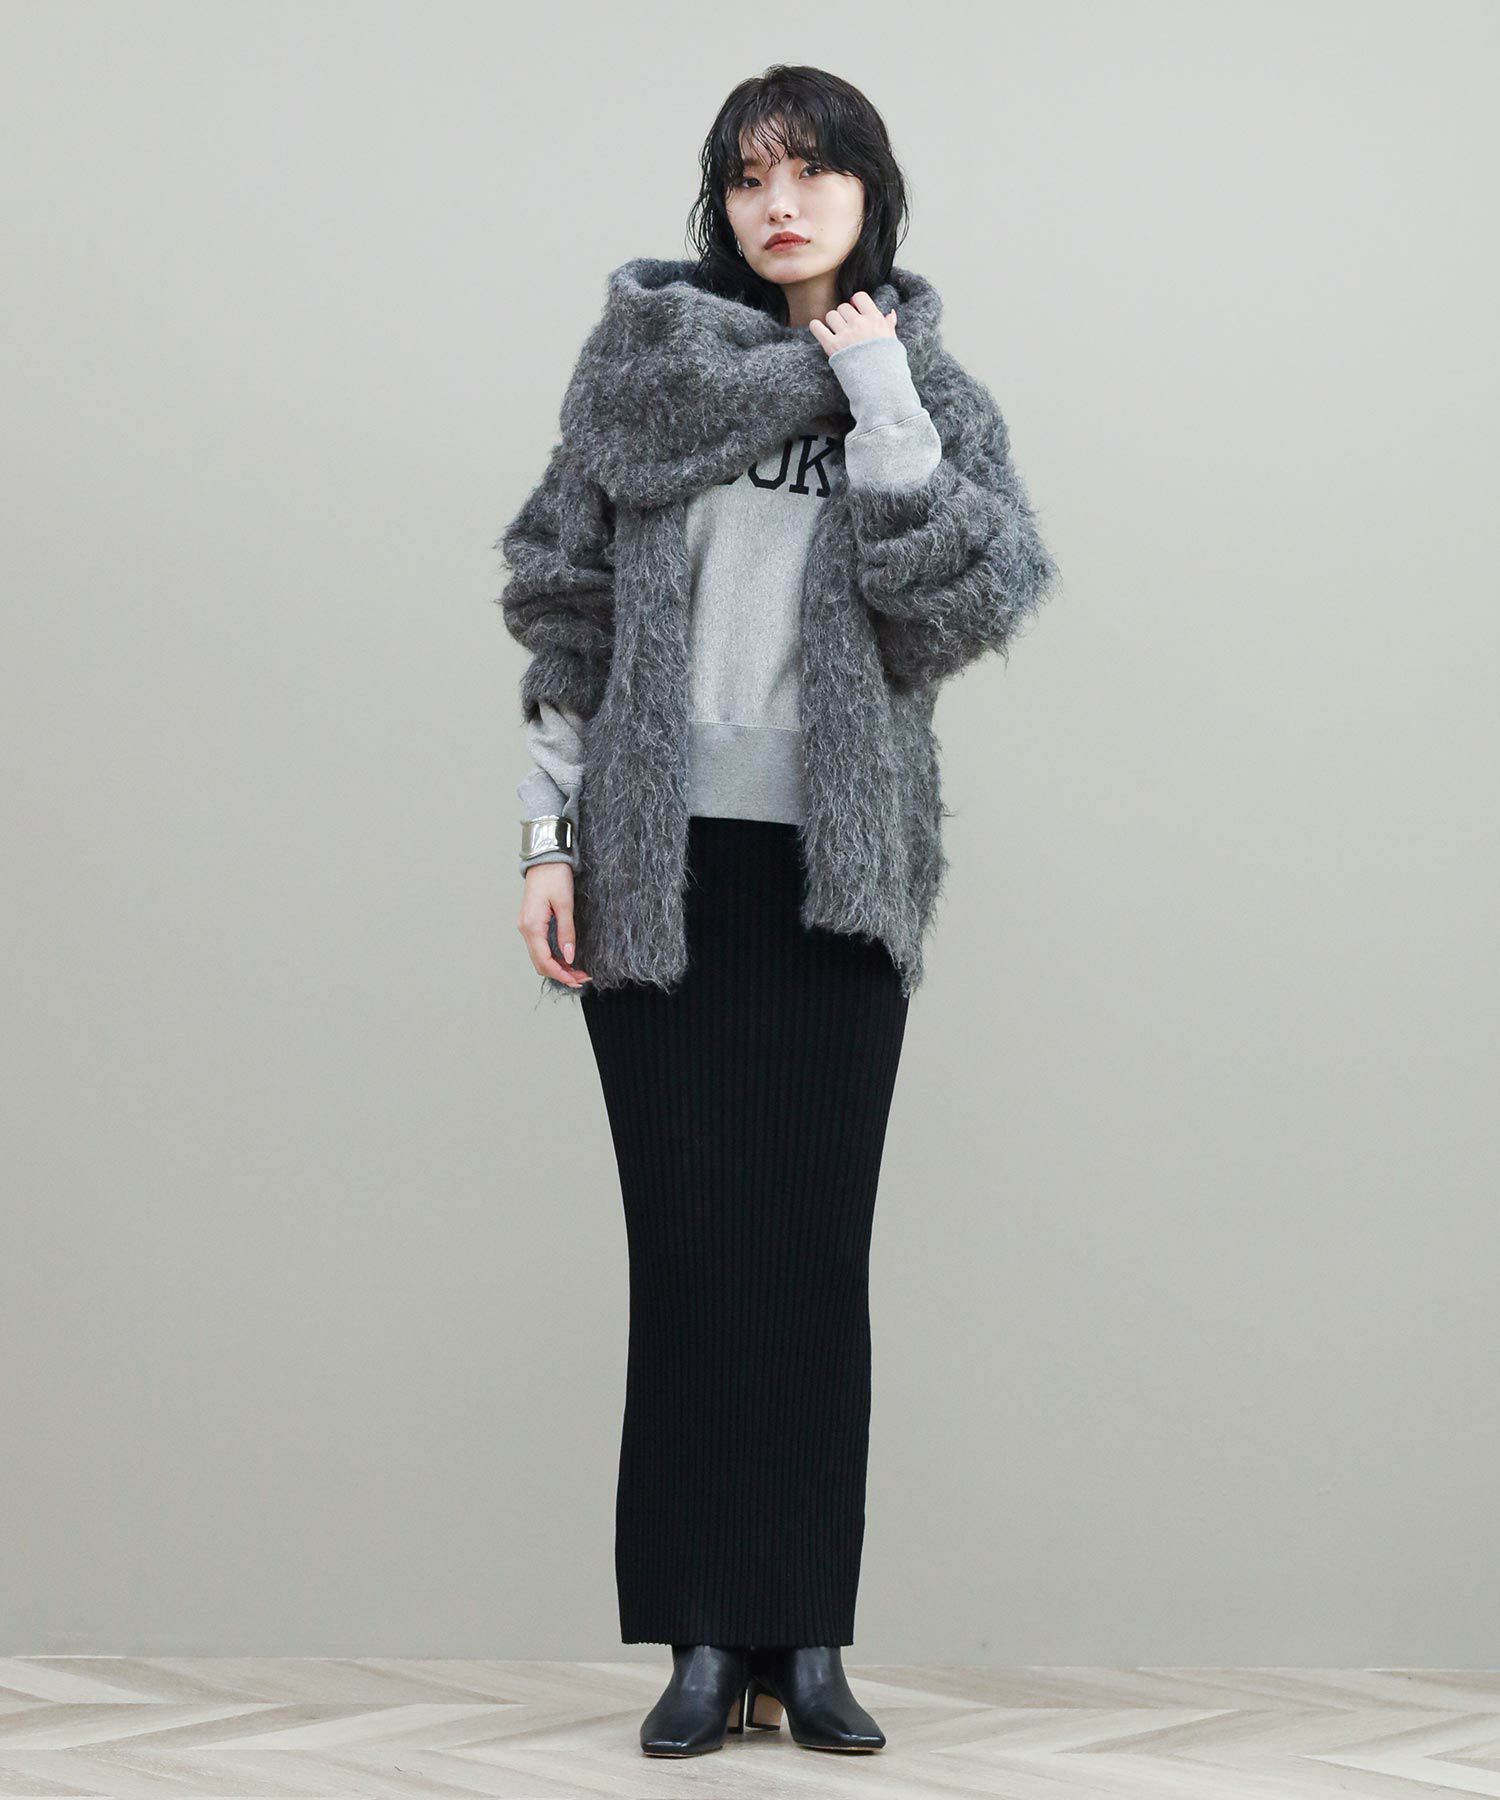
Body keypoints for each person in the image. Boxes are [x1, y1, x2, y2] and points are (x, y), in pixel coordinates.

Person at [496, 64, 1058, 1758]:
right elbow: (567, 609)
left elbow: (952, 608)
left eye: (814, 171)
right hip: (653, 864)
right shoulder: (645, 376)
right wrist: (546, 839)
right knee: (687, 1257)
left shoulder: (922, 388)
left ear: (871, 194)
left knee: (809, 1261)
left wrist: (877, 392)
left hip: (837, 869)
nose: (782, 203)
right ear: (720, 204)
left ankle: (804, 1640)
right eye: (750, 177)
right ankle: (698, 1640)